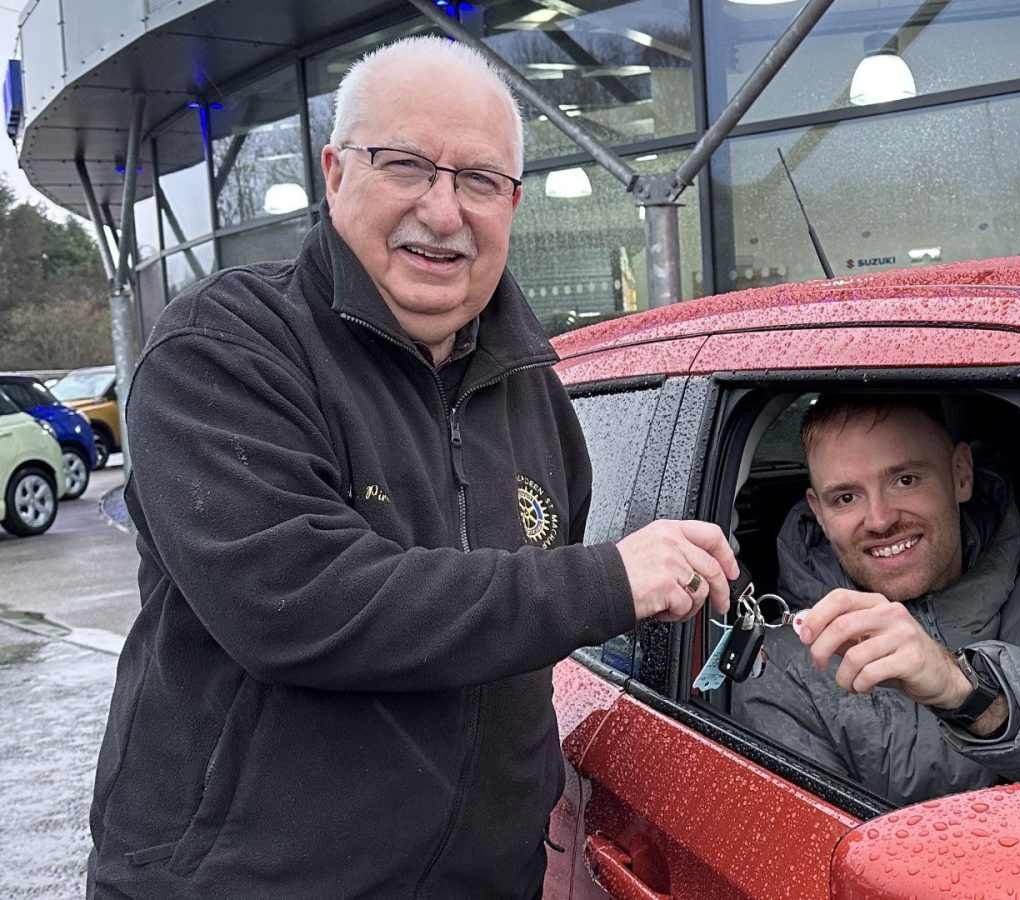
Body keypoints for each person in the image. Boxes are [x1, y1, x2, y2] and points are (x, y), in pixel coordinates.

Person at [86, 36, 736, 899]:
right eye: (406, 166)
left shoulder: (536, 394)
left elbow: (522, 642)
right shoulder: (227, 347)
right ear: (334, 173)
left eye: (480, 181)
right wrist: (607, 582)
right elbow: (297, 602)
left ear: (513, 202)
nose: (443, 210)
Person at [736, 394, 1020, 806]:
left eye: (905, 479)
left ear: (960, 475)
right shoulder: (781, 662)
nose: (879, 520)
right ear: (818, 511)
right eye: (846, 497)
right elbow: (817, 855)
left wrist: (969, 691)